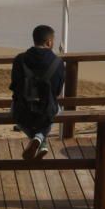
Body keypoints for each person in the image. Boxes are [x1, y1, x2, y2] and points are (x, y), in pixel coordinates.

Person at [10, 25, 65, 160]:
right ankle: (40, 138)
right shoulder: (58, 62)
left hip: (22, 110)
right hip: (46, 109)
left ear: (34, 40)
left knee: (14, 111)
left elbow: (15, 87)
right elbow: (57, 92)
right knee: (57, 109)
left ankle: (38, 139)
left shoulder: (20, 59)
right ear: (49, 42)